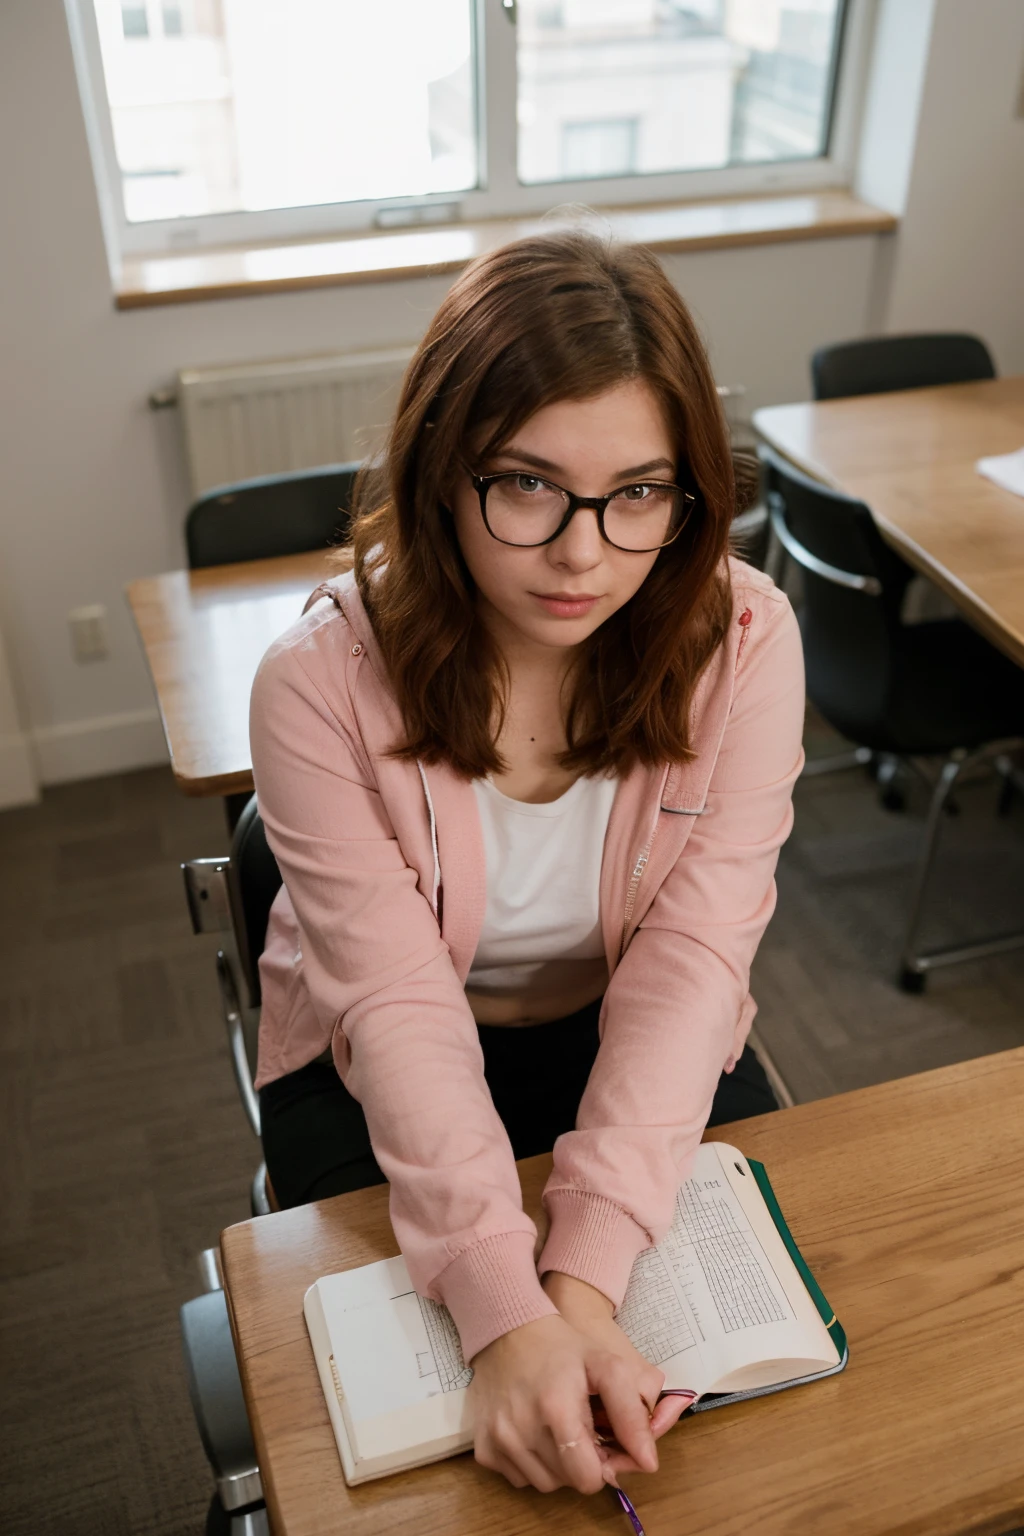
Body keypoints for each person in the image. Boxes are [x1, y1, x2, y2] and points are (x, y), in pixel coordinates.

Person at [249, 229, 804, 1498]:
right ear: (444, 471)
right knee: (439, 1468)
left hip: (629, 1023)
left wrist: (584, 1277)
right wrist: (509, 1312)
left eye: (640, 495)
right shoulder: (315, 683)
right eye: (526, 485)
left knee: (760, 1423)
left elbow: (694, 956)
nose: (582, 552)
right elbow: (393, 1006)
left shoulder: (747, 640)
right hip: (369, 1059)